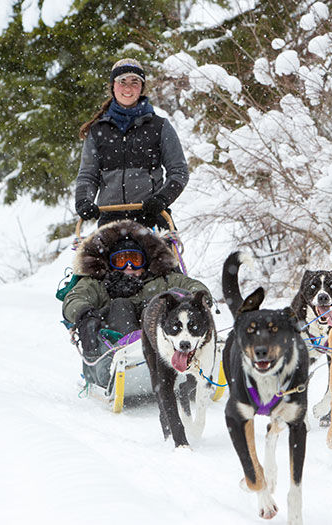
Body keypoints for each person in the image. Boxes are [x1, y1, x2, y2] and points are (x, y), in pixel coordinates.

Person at [62, 220, 210, 387]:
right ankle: (130, 350)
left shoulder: (161, 280)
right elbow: (74, 298)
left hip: (161, 342)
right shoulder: (97, 283)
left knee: (158, 303)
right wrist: (83, 313)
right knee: (120, 305)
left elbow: (190, 285)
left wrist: (199, 300)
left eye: (134, 259)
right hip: (115, 346)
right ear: (111, 265)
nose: (129, 266)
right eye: (121, 261)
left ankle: (168, 352)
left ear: (144, 262)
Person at [75, 58, 189, 228]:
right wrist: (83, 202)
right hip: (110, 221)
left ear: (141, 87)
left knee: (166, 255)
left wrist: (162, 198)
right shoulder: (98, 131)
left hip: (152, 216)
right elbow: (88, 176)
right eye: (122, 81)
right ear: (113, 86)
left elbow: (179, 172)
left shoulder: (160, 126)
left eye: (134, 81)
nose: (128, 88)